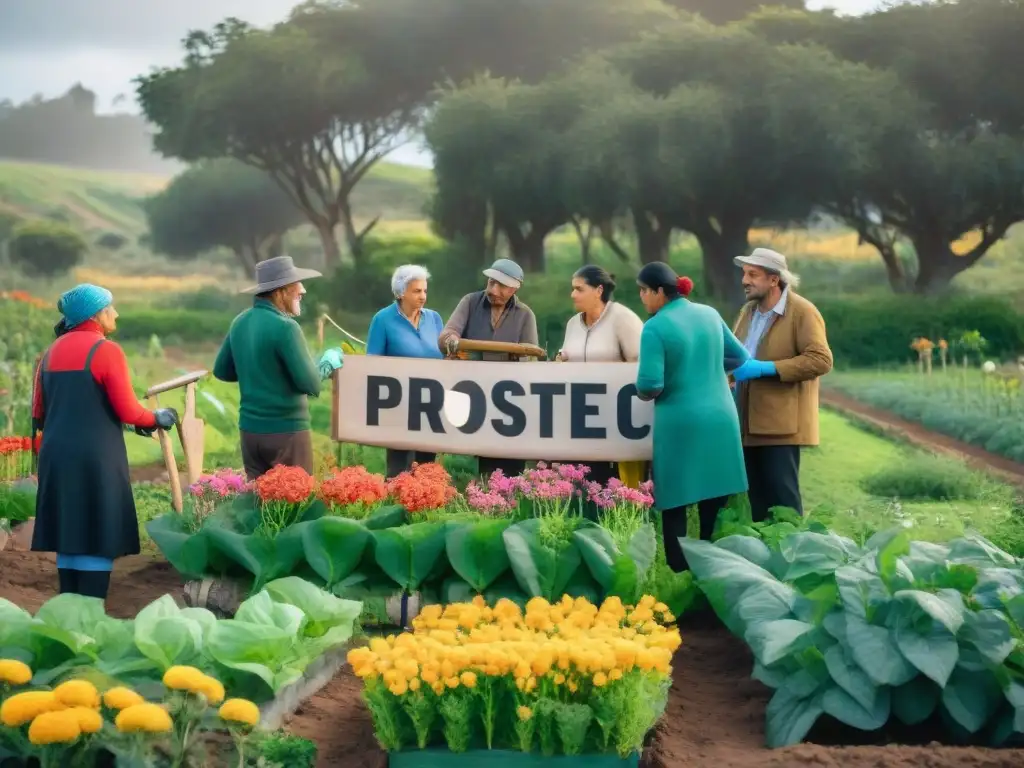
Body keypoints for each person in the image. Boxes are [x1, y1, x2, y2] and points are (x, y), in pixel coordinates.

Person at [31, 284, 179, 601]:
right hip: (94, 456)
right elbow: (127, 409)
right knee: (97, 527)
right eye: (111, 308)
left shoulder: (51, 352)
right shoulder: (105, 350)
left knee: (70, 526)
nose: (116, 313)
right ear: (96, 315)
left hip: (56, 454)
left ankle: (69, 614)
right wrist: (156, 418)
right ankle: (91, 615)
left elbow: (54, 408)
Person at [634, 263, 750, 573]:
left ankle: (680, 572)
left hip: (682, 421)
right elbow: (740, 357)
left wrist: (645, 390)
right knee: (713, 494)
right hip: (721, 417)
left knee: (675, 499)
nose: (642, 297)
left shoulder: (655, 327)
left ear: (660, 291)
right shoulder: (709, 314)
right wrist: (707, 364)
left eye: (644, 291)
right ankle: (712, 570)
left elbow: (650, 384)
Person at [213, 256, 343, 480]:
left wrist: (257, 370)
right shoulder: (286, 327)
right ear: (280, 291)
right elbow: (310, 385)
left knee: (260, 505)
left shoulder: (239, 322)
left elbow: (222, 371)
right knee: (294, 506)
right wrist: (326, 364)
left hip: (250, 434)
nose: (303, 290)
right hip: (286, 434)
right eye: (297, 285)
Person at [730, 248, 833, 522]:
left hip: (781, 426)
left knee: (783, 504)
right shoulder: (748, 311)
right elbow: (736, 355)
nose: (745, 280)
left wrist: (766, 369)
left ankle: (794, 560)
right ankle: (764, 562)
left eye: (753, 274)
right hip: (747, 423)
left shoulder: (802, 312)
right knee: (757, 506)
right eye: (744, 273)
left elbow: (821, 360)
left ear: (774, 280)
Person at [438, 258, 539, 478]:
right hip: (473, 395)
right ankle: (474, 495)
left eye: (501, 285)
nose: (493, 289)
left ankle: (505, 500)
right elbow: (448, 333)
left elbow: (531, 358)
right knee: (473, 455)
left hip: (509, 400)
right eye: (491, 282)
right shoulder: (470, 302)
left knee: (509, 461)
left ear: (514, 288)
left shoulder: (525, 315)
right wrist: (452, 341)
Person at [556, 265, 644, 497]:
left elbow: (641, 365)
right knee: (584, 480)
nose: (572, 295)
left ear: (599, 290)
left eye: (579, 289)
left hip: (618, 419)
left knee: (614, 485)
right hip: (579, 418)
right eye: (572, 289)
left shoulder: (624, 319)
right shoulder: (573, 324)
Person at [366, 264, 446, 478]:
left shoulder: (434, 318)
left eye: (425, 291)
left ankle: (425, 509)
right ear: (401, 293)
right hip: (397, 406)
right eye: (417, 291)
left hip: (430, 406)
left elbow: (445, 357)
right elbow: (371, 364)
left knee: (427, 467)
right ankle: (394, 509)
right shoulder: (382, 319)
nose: (423, 296)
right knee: (398, 468)